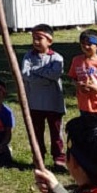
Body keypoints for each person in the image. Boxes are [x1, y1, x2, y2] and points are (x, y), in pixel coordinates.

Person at [21, 24, 66, 169]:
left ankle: (59, 157)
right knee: (37, 132)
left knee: (56, 132)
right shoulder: (28, 56)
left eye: (39, 38)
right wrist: (43, 75)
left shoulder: (56, 58)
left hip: (53, 103)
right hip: (34, 102)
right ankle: (38, 156)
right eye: (34, 38)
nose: (36, 42)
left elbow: (54, 74)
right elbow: (25, 74)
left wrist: (36, 73)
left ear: (49, 41)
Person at [69, 29, 97, 118]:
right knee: (87, 130)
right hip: (84, 105)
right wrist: (78, 85)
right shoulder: (76, 60)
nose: (86, 47)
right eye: (83, 44)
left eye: (89, 44)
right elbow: (73, 78)